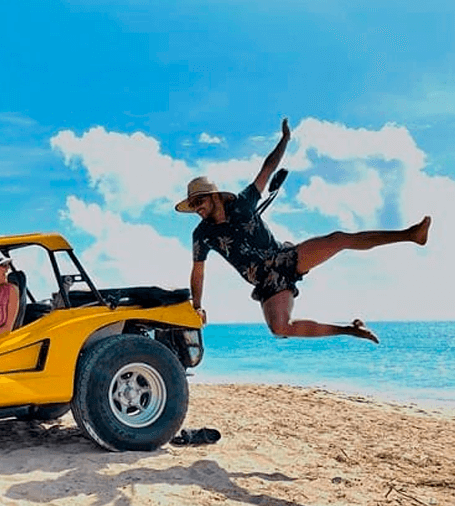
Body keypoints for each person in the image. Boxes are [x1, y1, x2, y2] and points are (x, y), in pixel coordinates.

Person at [175, 118, 431, 344]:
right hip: (265, 282)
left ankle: (409, 234)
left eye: (200, 201)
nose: (197, 208)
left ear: (214, 196)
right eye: (193, 204)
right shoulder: (202, 234)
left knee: (339, 239)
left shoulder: (243, 202)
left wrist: (285, 139)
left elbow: (268, 168)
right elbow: (198, 272)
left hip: (284, 259)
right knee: (280, 328)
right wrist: (197, 306)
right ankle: (350, 330)